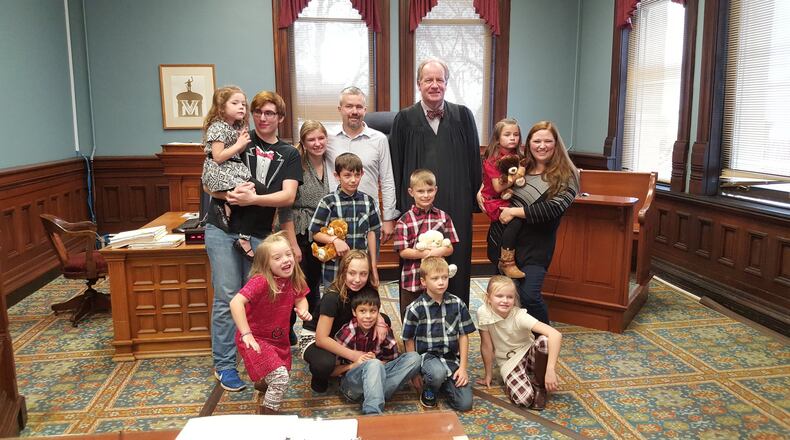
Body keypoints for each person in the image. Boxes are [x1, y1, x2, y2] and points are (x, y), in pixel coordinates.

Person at [204, 90, 302, 392]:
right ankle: (224, 365)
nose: (262, 118)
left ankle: (260, 361)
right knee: (226, 297)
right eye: (257, 112)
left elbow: (287, 197)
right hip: (222, 228)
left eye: (269, 113)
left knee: (260, 300)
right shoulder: (238, 137)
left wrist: (253, 199)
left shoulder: (289, 153)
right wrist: (229, 195)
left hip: (260, 234)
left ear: (280, 117)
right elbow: (208, 180)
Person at [389, 58, 482, 307]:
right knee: (417, 266)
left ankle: (455, 314)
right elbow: (395, 165)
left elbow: (475, 160)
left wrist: (474, 201)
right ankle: (416, 319)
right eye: (428, 80)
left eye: (439, 79)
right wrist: (398, 208)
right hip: (416, 209)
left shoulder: (463, 116)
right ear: (418, 84)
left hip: (457, 204)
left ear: (446, 83)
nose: (434, 85)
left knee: (456, 261)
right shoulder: (404, 119)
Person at [485, 121, 579, 325]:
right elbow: (495, 189)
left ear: (556, 144)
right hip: (503, 242)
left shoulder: (566, 175)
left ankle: (543, 338)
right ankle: (510, 342)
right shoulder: (521, 167)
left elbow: (553, 208)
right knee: (503, 300)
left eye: (548, 141)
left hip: (535, 248)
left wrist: (514, 211)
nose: (542, 146)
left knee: (529, 296)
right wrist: (481, 197)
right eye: (537, 141)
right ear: (528, 144)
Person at [228, 232, 312, 414]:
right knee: (280, 378)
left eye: (288, 254)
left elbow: (300, 298)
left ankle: (263, 383)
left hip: (279, 340)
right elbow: (235, 303)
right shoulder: (261, 281)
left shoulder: (294, 278)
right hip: (255, 339)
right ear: (266, 264)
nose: (286, 260)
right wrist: (246, 334)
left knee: (279, 374)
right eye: (277, 257)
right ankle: (268, 415)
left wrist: (303, 309)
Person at [299, 250, 389, 393]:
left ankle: (355, 363)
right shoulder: (332, 298)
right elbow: (321, 339)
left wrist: (380, 322)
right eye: (352, 273)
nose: (357, 279)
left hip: (342, 332)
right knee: (324, 364)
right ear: (343, 272)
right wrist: (354, 355)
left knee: (384, 319)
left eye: (363, 274)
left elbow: (374, 308)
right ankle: (328, 374)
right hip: (316, 337)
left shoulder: (366, 288)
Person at [326, 87, 399, 248]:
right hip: (334, 218)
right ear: (340, 109)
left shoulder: (379, 139)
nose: (354, 111)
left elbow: (387, 180)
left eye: (359, 107)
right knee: (337, 264)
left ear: (365, 110)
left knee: (368, 263)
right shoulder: (327, 138)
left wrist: (388, 218)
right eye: (349, 106)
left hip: (368, 218)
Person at [476, 276, 562, 411]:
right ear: (488, 298)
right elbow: (486, 345)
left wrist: (551, 369)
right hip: (508, 361)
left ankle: (539, 386)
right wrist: (488, 374)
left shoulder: (519, 316)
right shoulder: (483, 312)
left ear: (514, 299)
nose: (505, 300)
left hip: (528, 353)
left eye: (509, 297)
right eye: (499, 296)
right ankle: (532, 376)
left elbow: (556, 335)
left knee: (544, 341)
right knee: (524, 400)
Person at [280, 120, 332, 342]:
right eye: (311, 139)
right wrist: (292, 245)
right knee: (296, 284)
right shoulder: (296, 164)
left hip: (324, 232)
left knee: (316, 284)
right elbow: (285, 208)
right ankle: (285, 330)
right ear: (303, 142)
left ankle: (312, 330)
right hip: (299, 232)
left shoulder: (331, 163)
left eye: (321, 138)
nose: (317, 143)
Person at [402, 257, 475, 411]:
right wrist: (414, 373)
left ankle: (442, 383)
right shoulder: (415, 308)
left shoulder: (457, 303)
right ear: (423, 281)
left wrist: (463, 367)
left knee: (465, 404)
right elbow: (408, 340)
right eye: (435, 278)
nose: (441, 282)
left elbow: (464, 335)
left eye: (444, 277)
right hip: (427, 358)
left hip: (450, 359)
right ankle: (430, 387)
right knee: (437, 373)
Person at [332, 287, 421, 415]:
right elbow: (332, 371)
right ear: (354, 312)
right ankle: (372, 413)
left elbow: (393, 360)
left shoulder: (383, 330)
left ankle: (373, 395)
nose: (368, 316)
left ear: (378, 312)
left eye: (373, 311)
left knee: (414, 358)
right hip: (353, 384)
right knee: (373, 364)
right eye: (362, 311)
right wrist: (355, 364)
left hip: (378, 377)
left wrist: (377, 363)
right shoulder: (347, 333)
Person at [393, 169, 458, 320]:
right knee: (411, 315)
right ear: (411, 192)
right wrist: (427, 253)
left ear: (436, 190)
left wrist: (438, 252)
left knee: (436, 315)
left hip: (437, 278)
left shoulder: (444, 217)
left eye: (430, 190)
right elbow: (403, 252)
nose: (426, 195)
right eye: (420, 191)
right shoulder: (404, 220)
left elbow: (450, 247)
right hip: (412, 278)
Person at [310, 152, 381, 287]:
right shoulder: (328, 201)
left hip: (360, 268)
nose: (353, 180)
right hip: (335, 268)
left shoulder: (368, 201)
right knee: (334, 298)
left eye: (357, 175)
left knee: (360, 298)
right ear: (337, 176)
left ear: (362, 174)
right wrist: (335, 240)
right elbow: (315, 232)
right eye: (347, 175)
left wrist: (373, 267)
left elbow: (372, 233)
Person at [200, 86, 254, 257]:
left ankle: (226, 208)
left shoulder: (232, 127)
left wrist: (241, 140)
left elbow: (235, 152)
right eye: (235, 103)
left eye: (243, 104)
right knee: (250, 191)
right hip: (220, 170)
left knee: (251, 192)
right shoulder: (218, 127)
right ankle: (241, 234)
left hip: (231, 168)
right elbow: (218, 156)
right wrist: (239, 144)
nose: (241, 107)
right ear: (221, 107)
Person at [480, 118, 526, 279]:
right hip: (494, 200)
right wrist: (518, 175)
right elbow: (498, 187)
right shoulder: (492, 160)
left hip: (510, 198)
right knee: (516, 220)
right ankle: (507, 261)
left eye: (516, 134)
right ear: (498, 138)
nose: (512, 138)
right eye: (507, 134)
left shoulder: (519, 156)